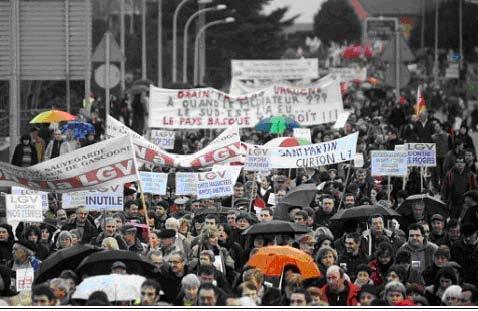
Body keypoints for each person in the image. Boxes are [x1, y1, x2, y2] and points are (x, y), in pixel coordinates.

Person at [441, 153, 478, 219]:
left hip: (465, 203)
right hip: (453, 203)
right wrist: (444, 200)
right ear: (455, 164)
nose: (459, 164)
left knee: (464, 220)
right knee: (453, 220)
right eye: (457, 162)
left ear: (464, 164)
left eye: (461, 162)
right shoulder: (450, 174)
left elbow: (474, 188)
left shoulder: (470, 174)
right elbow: (444, 188)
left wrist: (472, 201)